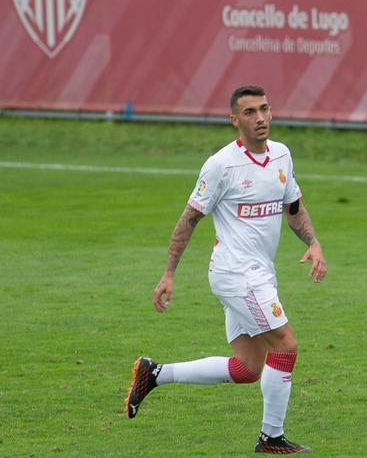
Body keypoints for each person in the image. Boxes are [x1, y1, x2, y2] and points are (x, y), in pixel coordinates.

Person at [125, 85, 327, 455]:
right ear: (235, 120)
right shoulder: (221, 165)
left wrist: (313, 243)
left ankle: (154, 374)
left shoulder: (282, 155)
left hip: (259, 273)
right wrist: (169, 273)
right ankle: (271, 437)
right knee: (286, 345)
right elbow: (189, 219)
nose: (261, 118)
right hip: (236, 274)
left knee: (249, 368)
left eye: (264, 109)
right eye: (250, 112)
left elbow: (294, 208)